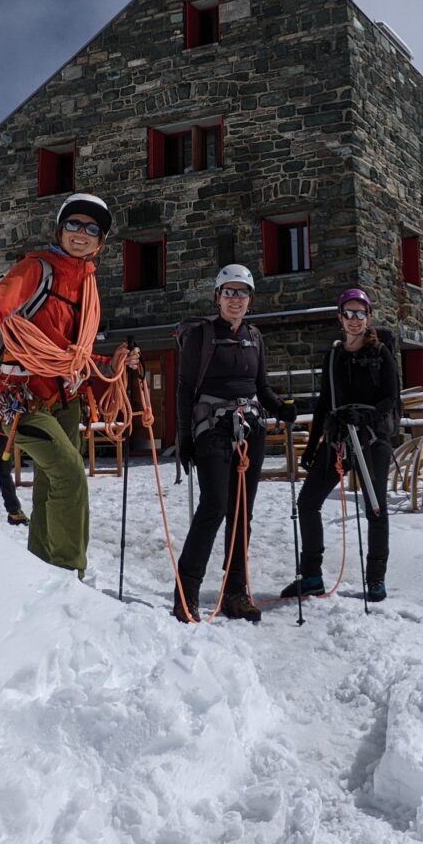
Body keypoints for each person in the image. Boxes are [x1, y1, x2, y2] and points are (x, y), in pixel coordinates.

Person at [0, 193, 137, 577]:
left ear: (101, 242)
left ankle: (39, 568)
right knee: (69, 476)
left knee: (52, 483)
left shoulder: (87, 284)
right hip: (20, 399)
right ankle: (69, 573)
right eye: (73, 224)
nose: (81, 234)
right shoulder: (36, 268)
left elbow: (69, 352)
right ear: (59, 229)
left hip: (65, 397)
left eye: (91, 229)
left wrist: (108, 362)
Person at [172, 264, 295, 623]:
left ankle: (236, 593)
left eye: (242, 293)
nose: (236, 299)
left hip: (251, 429)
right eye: (229, 292)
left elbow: (261, 386)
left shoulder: (255, 337)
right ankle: (186, 592)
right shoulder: (201, 335)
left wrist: (281, 408)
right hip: (213, 428)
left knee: (242, 512)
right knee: (214, 506)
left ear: (250, 299)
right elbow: (183, 388)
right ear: (218, 297)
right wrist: (183, 437)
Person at [281, 288, 402, 604]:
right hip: (338, 438)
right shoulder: (333, 355)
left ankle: (375, 579)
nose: (354, 319)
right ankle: (311, 576)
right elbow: (324, 401)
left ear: (369, 317)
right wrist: (311, 446)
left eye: (360, 313)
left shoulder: (380, 354)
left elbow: (392, 395)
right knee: (307, 503)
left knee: (375, 508)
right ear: (340, 317)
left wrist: (368, 415)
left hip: (372, 438)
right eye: (348, 313)